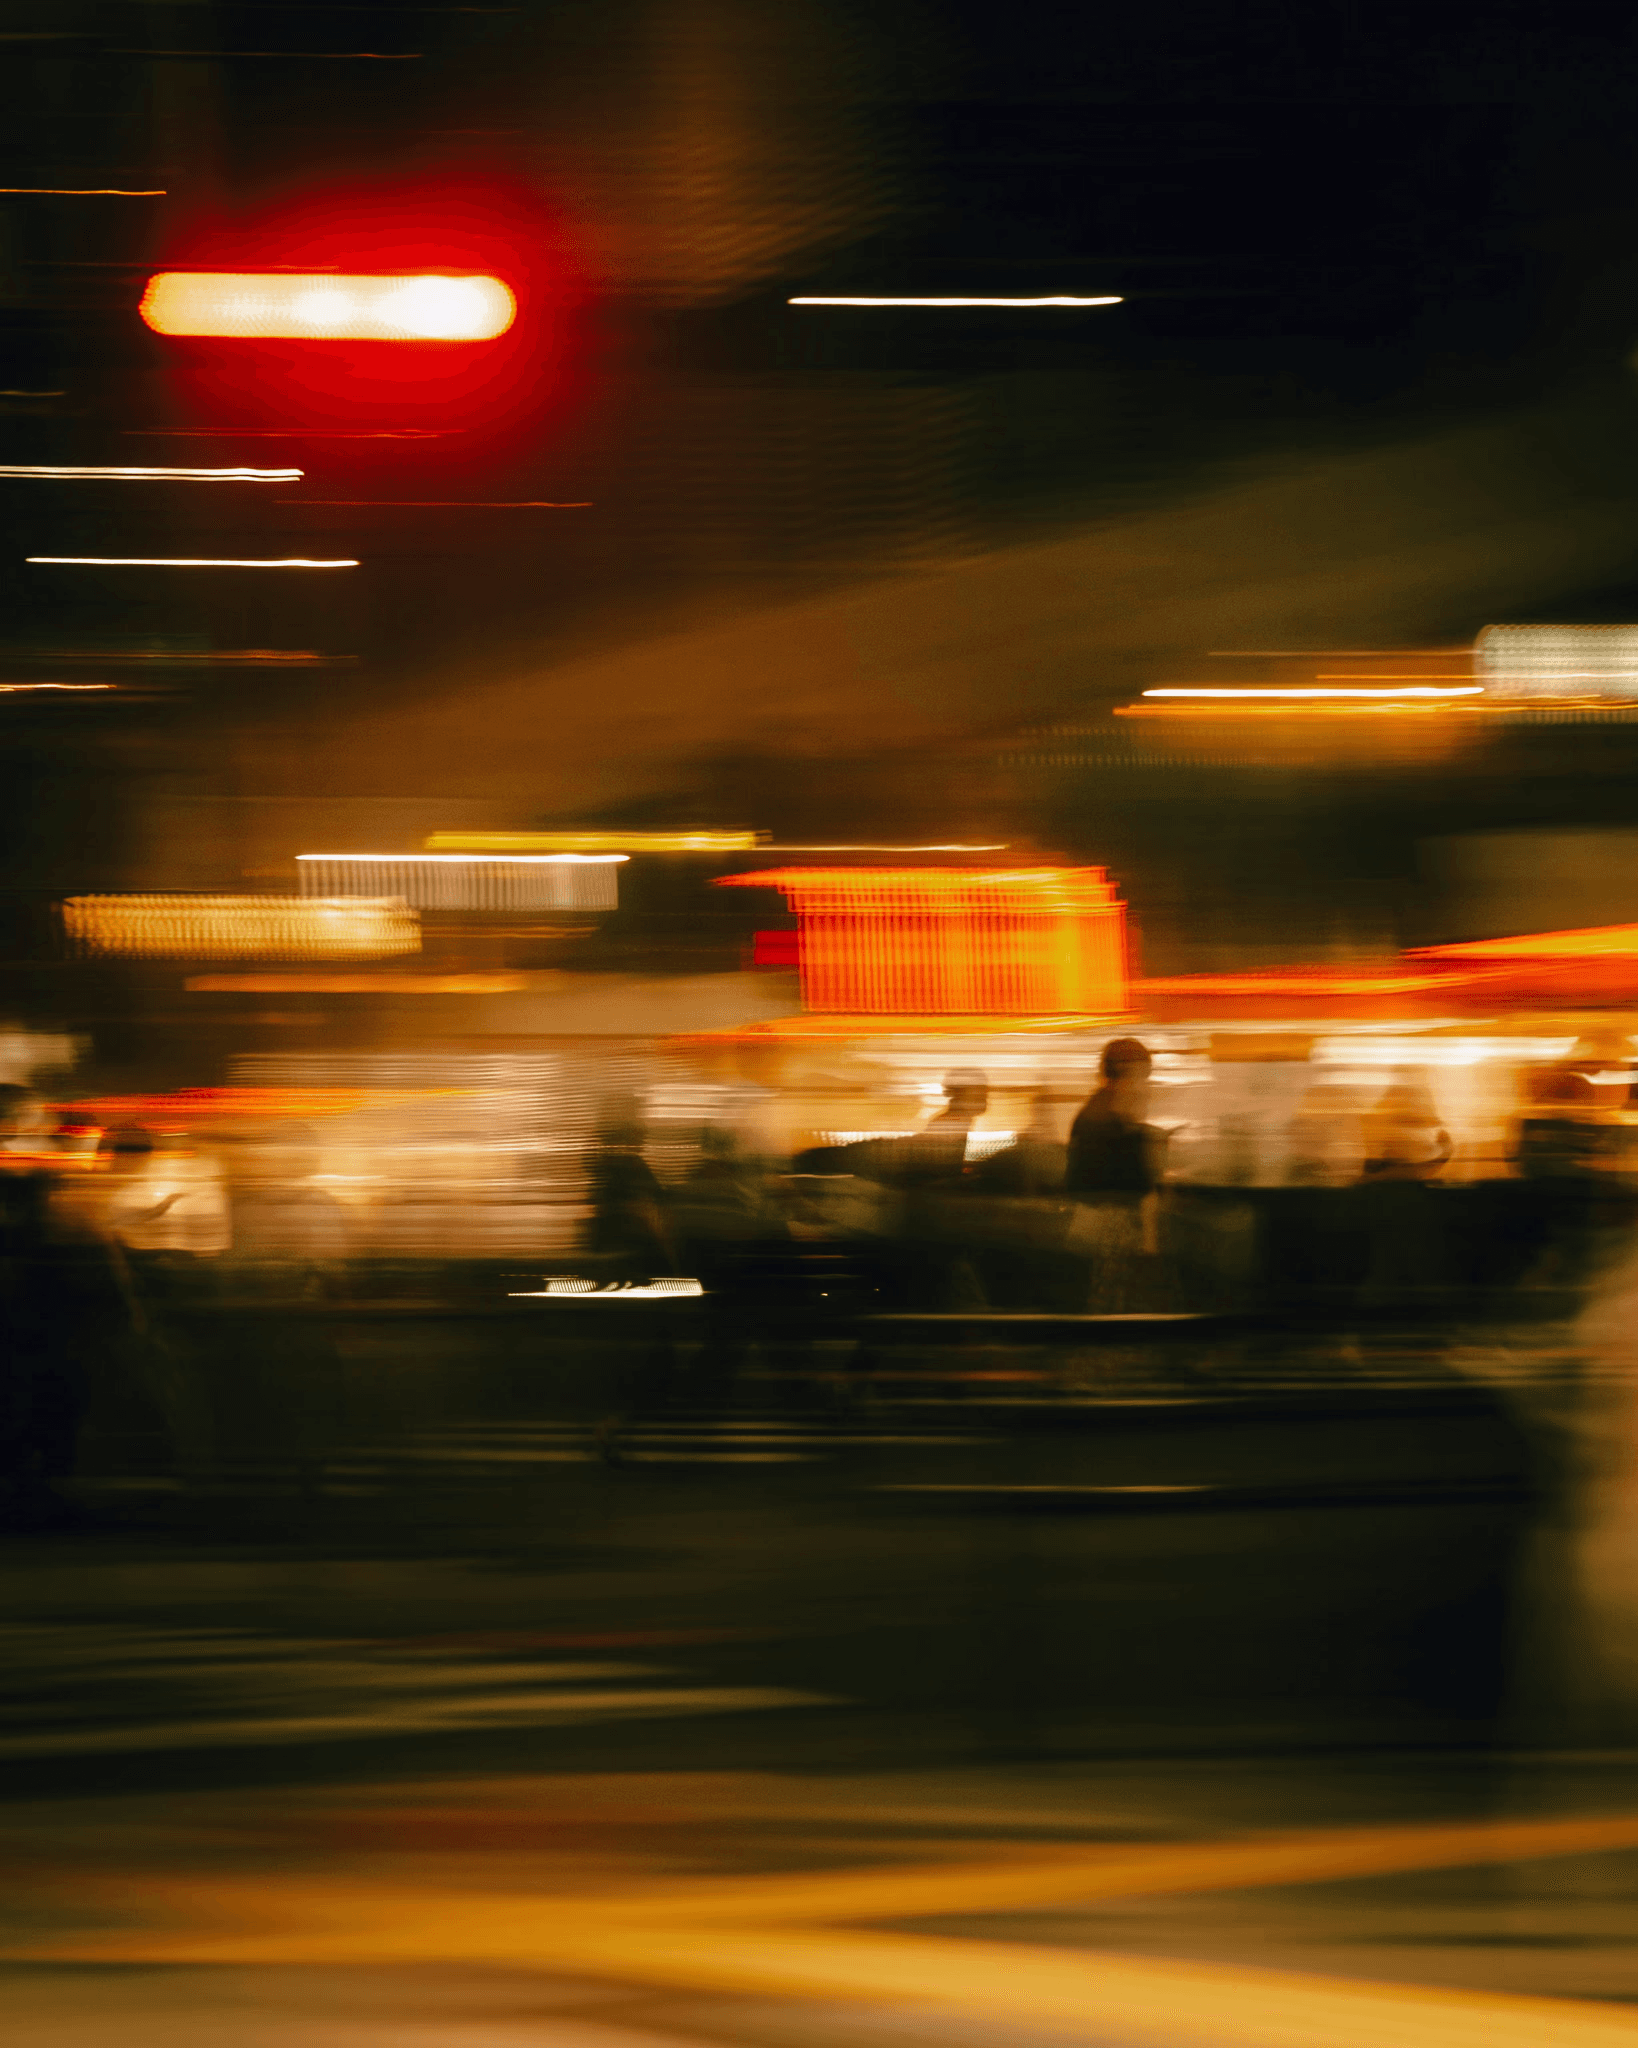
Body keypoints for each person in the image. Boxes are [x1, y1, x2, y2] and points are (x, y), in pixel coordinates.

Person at [1065, 1038, 1167, 1321]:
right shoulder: (1111, 1118)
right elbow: (1138, 1183)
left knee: (1104, 1307)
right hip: (1110, 1230)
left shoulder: (1095, 1111)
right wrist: (1149, 1243)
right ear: (1126, 1075)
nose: (1145, 1086)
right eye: (1142, 1076)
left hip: (1090, 1225)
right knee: (1112, 1308)